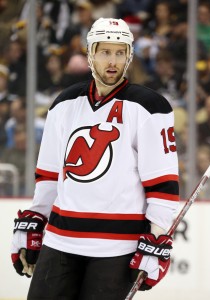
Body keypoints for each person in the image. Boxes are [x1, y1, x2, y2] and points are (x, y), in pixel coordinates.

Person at [11, 18, 179, 300]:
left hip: (116, 249)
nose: (112, 61)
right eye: (104, 52)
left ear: (129, 56)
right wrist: (37, 217)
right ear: (90, 54)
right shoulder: (64, 104)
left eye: (119, 52)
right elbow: (49, 175)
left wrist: (156, 237)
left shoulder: (149, 107)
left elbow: (162, 186)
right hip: (60, 240)